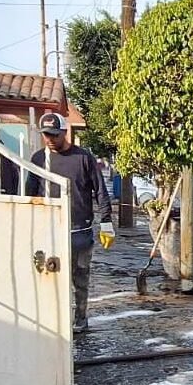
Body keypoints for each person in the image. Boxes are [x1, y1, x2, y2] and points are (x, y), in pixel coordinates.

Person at [26, 112, 114, 332]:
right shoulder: (38, 159)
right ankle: (53, 319)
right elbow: (29, 192)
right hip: (48, 229)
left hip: (80, 230)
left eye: (54, 135)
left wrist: (106, 221)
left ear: (64, 133)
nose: (50, 139)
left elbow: (100, 191)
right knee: (50, 276)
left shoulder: (83, 158)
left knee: (80, 278)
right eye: (46, 135)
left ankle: (80, 319)